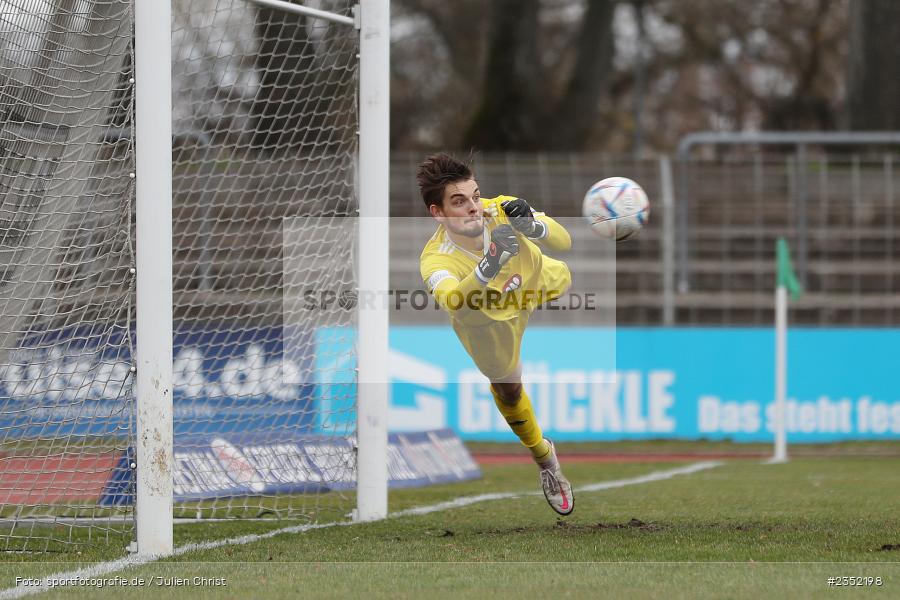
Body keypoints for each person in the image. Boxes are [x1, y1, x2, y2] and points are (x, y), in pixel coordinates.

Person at [417, 152, 575, 515]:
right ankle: (545, 458)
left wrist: (534, 226)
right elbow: (454, 302)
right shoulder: (435, 260)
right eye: (459, 202)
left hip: (533, 281)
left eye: (475, 196)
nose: (474, 207)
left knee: (565, 274)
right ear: (437, 213)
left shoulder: (501, 209)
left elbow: (564, 242)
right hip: (489, 321)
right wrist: (489, 264)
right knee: (509, 388)